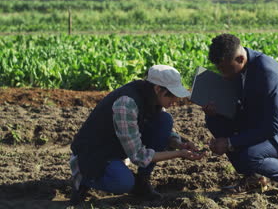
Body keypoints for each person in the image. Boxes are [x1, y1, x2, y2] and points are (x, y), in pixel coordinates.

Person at [69, 65, 204, 205]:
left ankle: (142, 181)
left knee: (164, 120)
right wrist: (179, 153)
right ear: (158, 89)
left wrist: (179, 144)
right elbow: (138, 156)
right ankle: (84, 178)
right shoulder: (127, 103)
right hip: (94, 153)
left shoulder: (152, 97)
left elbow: (163, 132)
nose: (175, 101)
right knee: (123, 182)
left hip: (116, 147)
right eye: (172, 95)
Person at [203, 34, 278, 194]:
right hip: (260, 120)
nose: (223, 75)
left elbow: (271, 127)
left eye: (225, 70)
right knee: (215, 119)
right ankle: (254, 177)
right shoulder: (237, 69)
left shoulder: (267, 73)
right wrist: (216, 111)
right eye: (220, 69)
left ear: (240, 59)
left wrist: (229, 142)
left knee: (250, 156)